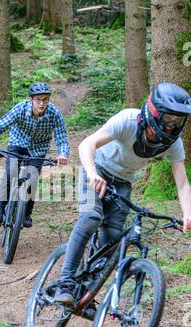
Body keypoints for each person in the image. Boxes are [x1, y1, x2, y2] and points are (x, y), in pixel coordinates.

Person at [55, 82, 191, 305]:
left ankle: (83, 296)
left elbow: (183, 183)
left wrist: (187, 214)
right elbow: (87, 144)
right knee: (91, 218)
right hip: (97, 168)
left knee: (112, 238)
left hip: (123, 182)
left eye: (178, 120)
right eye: (169, 118)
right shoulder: (128, 120)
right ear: (155, 112)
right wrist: (91, 173)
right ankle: (65, 282)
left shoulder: (173, 143)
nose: (172, 125)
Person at [0, 82, 69, 228]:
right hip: (17, 143)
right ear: (31, 99)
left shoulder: (54, 113)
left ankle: (26, 214)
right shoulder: (21, 108)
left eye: (45, 99)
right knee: (11, 173)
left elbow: (61, 138)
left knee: (33, 178)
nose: (41, 103)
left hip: (38, 148)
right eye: (38, 100)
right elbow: (0, 125)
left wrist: (62, 154)